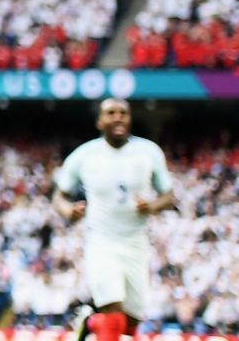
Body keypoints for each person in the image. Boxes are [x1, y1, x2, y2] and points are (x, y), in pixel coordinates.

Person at [54, 98, 175, 341]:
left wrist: (151, 206)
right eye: (111, 113)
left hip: (136, 242)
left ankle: (91, 322)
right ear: (100, 121)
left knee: (131, 321)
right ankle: (101, 321)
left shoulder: (148, 152)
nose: (118, 117)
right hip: (101, 241)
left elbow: (168, 196)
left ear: (129, 118)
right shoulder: (84, 155)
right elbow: (59, 195)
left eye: (123, 113)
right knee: (113, 310)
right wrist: (68, 210)